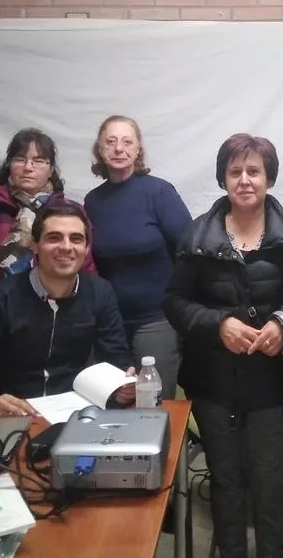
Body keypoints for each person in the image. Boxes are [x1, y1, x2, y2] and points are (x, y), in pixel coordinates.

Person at [164, 133, 283, 558]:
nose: (245, 180)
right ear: (223, 178)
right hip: (214, 387)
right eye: (235, 171)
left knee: (270, 485)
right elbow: (174, 302)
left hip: (273, 386)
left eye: (254, 171)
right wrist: (217, 325)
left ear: (269, 178)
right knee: (226, 482)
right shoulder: (197, 236)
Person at [0, 201, 134, 417]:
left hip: (74, 413)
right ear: (34, 245)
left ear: (87, 249)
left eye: (76, 239)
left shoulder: (101, 292)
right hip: (10, 412)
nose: (66, 247)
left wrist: (122, 385)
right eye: (54, 238)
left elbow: (116, 358)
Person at [0, 128, 95, 346]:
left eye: (39, 161)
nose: (28, 167)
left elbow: (86, 274)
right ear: (10, 165)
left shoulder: (69, 211)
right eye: (20, 159)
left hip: (52, 331)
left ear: (51, 170)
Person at [84, 115, 192, 403]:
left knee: (153, 404)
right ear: (100, 149)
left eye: (127, 141)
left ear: (137, 149)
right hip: (109, 323)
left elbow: (190, 252)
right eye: (111, 141)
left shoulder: (159, 192)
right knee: (113, 403)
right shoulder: (92, 202)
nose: (119, 148)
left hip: (157, 320)